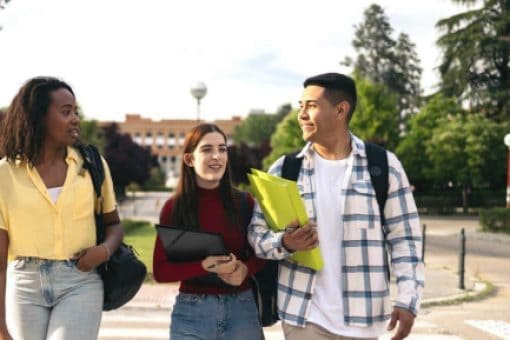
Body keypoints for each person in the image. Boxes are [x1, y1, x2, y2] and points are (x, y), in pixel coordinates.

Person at [248, 73, 424, 340]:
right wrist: (286, 242)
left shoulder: (384, 166)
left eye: (312, 105)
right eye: (301, 106)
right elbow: (256, 236)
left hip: (365, 320)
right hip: (304, 315)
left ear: (341, 110)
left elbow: (405, 239)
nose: (302, 115)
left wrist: (408, 299)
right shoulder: (286, 170)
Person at [0, 76, 123, 340]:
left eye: (75, 111)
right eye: (66, 112)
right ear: (38, 117)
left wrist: (103, 251)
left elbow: (114, 223)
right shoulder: (5, 174)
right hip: (23, 284)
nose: (75, 119)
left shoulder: (91, 165)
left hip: (80, 281)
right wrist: (1, 328)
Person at [153, 123, 266, 340]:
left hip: (242, 309)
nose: (217, 156)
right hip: (192, 313)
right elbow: (160, 271)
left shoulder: (245, 203)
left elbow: (262, 255)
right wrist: (203, 266)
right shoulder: (174, 208)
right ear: (189, 159)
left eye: (222, 149)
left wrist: (244, 269)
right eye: (207, 150)